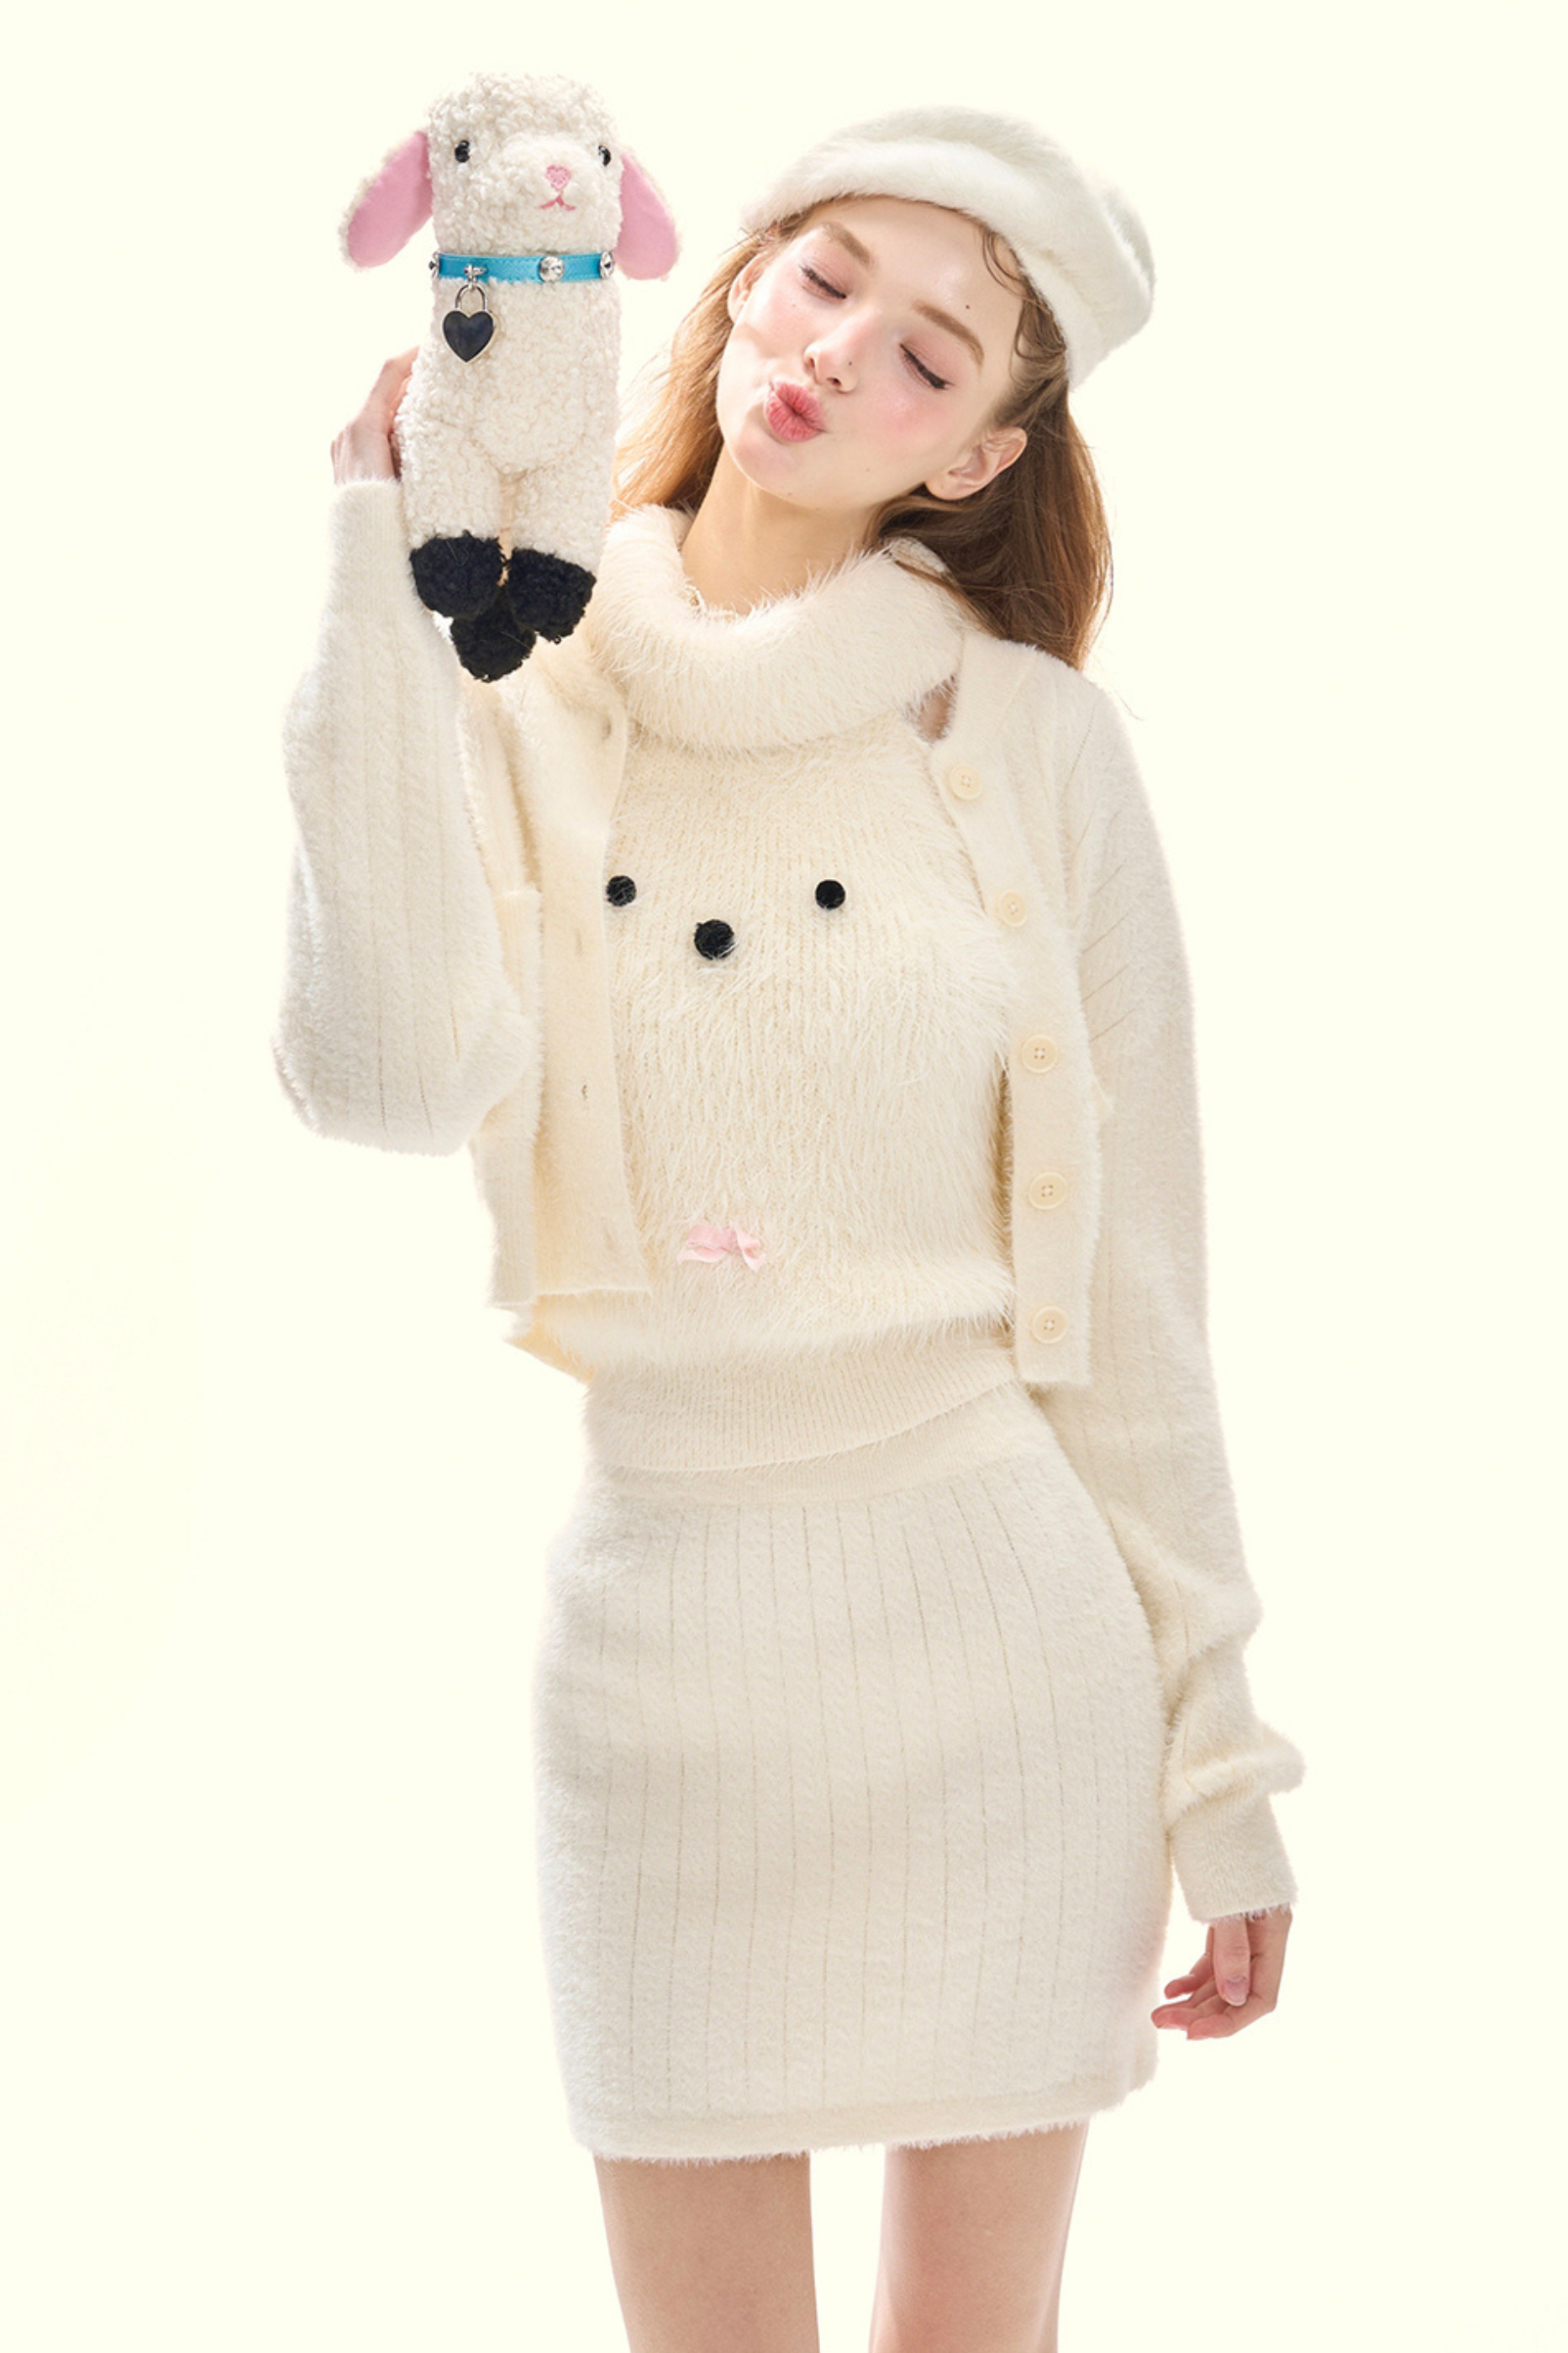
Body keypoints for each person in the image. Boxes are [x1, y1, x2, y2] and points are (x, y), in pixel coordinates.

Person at [284, 104, 1304, 2353]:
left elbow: (1141, 1303)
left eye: (931, 353)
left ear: (981, 455)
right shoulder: (519, 677)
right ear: (739, 274)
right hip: (663, 1664)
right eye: (827, 276)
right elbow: (379, 1081)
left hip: (1002, 1651)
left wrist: (1222, 1771)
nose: (843, 350)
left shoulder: (1032, 745)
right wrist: (375, 585)